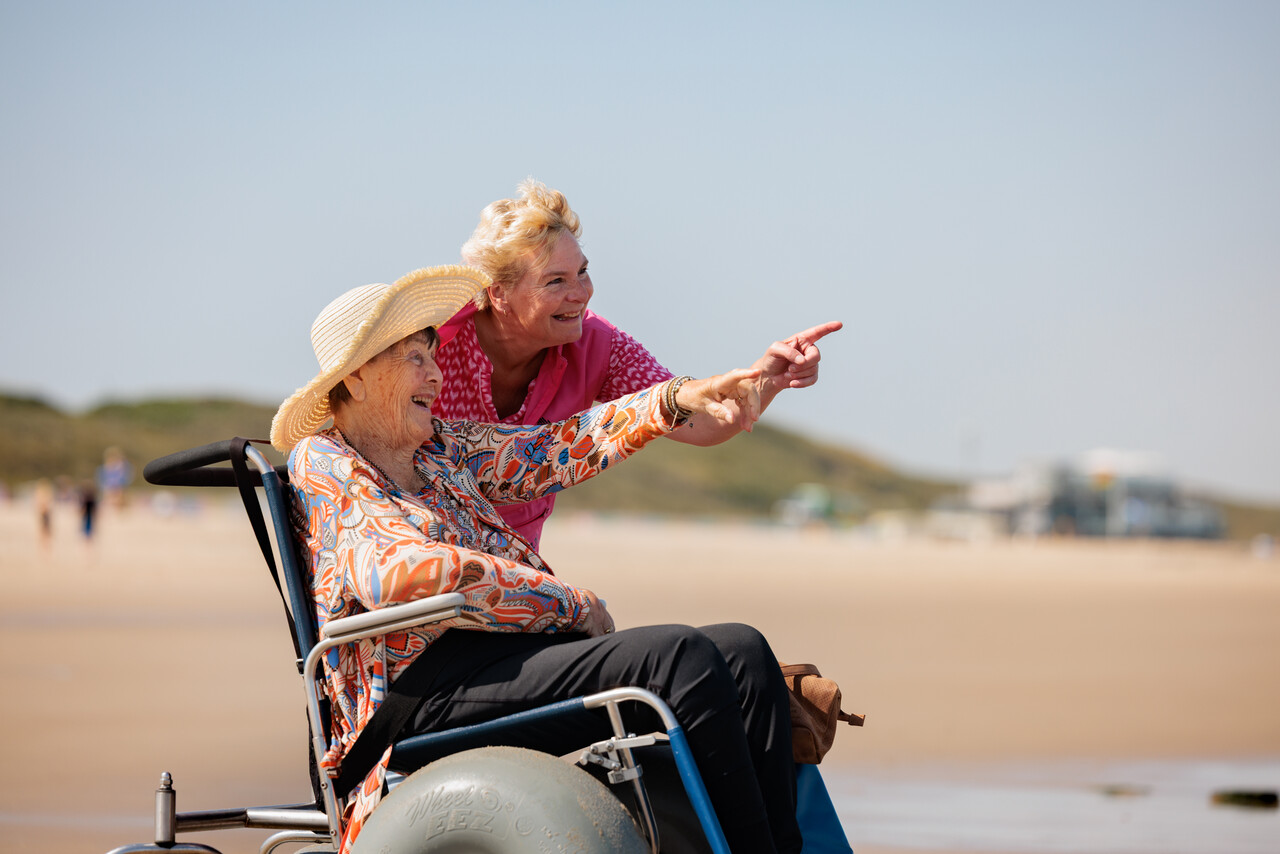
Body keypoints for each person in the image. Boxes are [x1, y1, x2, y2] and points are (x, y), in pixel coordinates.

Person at [272, 266, 820, 854]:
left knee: (741, 650)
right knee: (680, 657)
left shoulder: (441, 449)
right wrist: (569, 605)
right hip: (415, 697)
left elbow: (561, 446)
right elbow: (405, 574)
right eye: (413, 357)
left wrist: (674, 398)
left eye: (432, 353)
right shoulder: (324, 458)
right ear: (355, 379)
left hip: (497, 660)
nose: (435, 373)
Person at [435, 178, 842, 550]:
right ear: (499, 293)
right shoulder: (433, 341)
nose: (580, 293)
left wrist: (766, 379)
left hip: (516, 564)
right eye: (556, 281)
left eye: (583, 272)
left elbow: (696, 419)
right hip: (425, 552)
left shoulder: (597, 344)